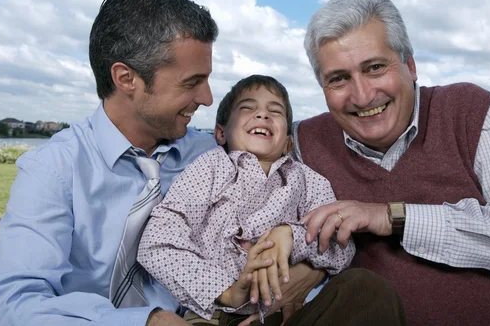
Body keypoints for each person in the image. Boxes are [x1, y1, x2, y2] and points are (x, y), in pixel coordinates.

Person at [295, 0, 490, 326]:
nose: (361, 95)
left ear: (411, 66)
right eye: (338, 79)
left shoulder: (471, 112)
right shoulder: (303, 142)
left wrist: (392, 218)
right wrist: (305, 267)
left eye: (374, 68)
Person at [0, 0, 220, 326]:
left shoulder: (211, 156)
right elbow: (5, 309)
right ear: (126, 78)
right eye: (191, 82)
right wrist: (145, 323)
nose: (208, 98)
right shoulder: (54, 169)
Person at [137, 75, 354, 325]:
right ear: (220, 133)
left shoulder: (307, 180)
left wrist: (291, 237)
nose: (262, 115)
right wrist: (227, 292)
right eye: (248, 108)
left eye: (275, 111)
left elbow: (342, 248)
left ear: (287, 143)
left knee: (365, 287)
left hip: (288, 310)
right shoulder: (209, 169)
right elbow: (157, 243)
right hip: (215, 314)